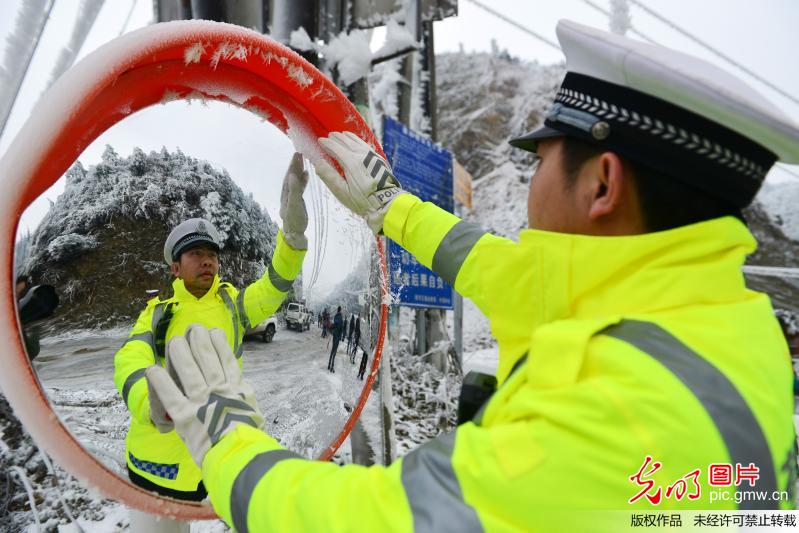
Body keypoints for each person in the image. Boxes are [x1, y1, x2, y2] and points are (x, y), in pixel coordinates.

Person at [147, 20, 799, 531]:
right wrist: (388, 208)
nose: (527, 181)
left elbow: (359, 519)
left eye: (537, 160)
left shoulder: (611, 423)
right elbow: (505, 270)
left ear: (601, 183)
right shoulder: (723, 321)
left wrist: (226, 438)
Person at [114, 154, 309, 529]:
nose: (207, 262)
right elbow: (130, 357)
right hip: (158, 468)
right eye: (196, 254)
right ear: (175, 267)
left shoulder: (234, 305)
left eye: (212, 255)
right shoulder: (158, 311)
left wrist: (292, 238)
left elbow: (275, 286)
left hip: (214, 458)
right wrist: (149, 402)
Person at [327, 306, 344, 372]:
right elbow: (341, 328)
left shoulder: (336, 316)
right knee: (334, 351)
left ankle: (329, 365)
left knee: (332, 350)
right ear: (340, 310)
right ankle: (332, 367)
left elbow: (334, 325)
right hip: (337, 336)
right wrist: (341, 336)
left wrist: (333, 330)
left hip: (334, 335)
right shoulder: (340, 318)